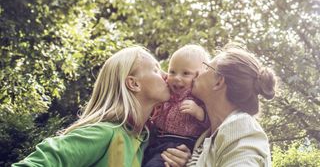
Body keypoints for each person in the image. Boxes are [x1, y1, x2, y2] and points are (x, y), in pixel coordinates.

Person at [12, 46, 190, 167]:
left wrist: (176, 158)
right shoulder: (105, 133)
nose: (167, 76)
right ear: (133, 84)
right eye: (156, 69)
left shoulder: (144, 139)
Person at [184, 43, 276, 166]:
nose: (197, 73)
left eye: (206, 68)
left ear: (219, 82)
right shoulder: (207, 134)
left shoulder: (243, 131)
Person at [143, 44, 211, 167]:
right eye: (172, 72)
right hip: (156, 138)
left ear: (199, 76)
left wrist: (199, 113)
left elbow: (210, 123)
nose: (177, 78)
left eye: (186, 73)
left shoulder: (197, 97)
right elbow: (160, 75)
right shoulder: (166, 90)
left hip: (180, 144)